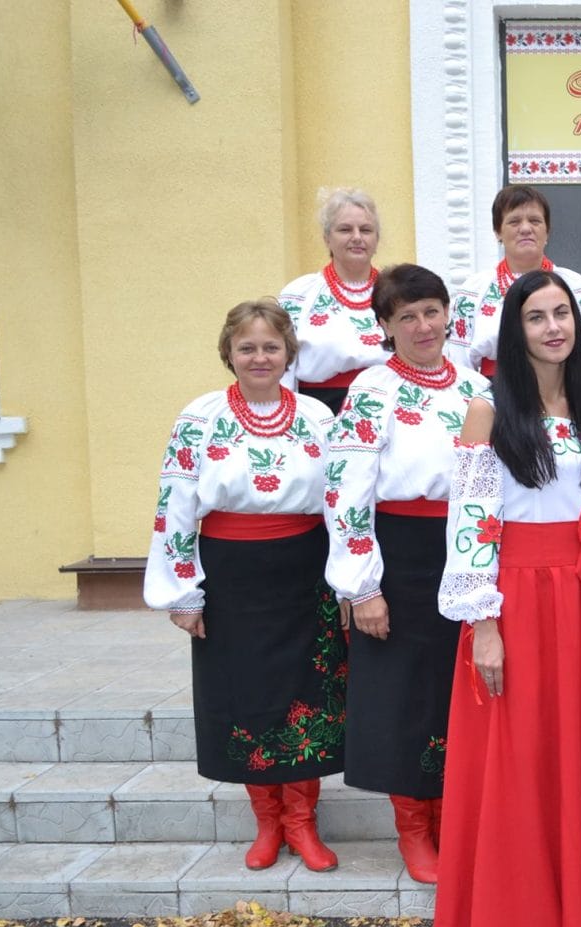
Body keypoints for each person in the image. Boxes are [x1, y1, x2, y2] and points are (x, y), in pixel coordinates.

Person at [429, 269, 581, 927]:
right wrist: (483, 625)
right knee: (514, 763)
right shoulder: (488, 413)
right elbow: (471, 524)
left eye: (563, 314)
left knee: (577, 757)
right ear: (514, 334)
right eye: (537, 317)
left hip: (580, 602)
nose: (553, 327)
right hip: (513, 598)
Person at [144, 299, 343, 873]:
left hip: (305, 571)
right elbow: (175, 504)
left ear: (289, 353)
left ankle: (303, 822)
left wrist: (350, 581)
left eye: (271, 346)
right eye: (247, 347)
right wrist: (181, 590)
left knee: (305, 696)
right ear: (228, 353)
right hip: (230, 574)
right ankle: (267, 824)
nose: (260, 357)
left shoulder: (318, 417)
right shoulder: (200, 417)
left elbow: (341, 502)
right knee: (246, 695)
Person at [324, 263, 488, 884]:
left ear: (450, 314)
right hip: (401, 553)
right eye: (407, 317)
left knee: (458, 691)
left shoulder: (479, 387)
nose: (424, 326)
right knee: (405, 695)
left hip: (468, 548)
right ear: (386, 328)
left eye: (432, 311)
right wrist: (362, 584)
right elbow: (346, 489)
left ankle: (455, 819)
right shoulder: (373, 389)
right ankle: (414, 830)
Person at [448, 185, 581, 383]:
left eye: (535, 221)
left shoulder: (576, 287)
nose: (525, 229)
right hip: (494, 396)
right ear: (498, 232)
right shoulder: (474, 290)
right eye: (514, 221)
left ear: (547, 231)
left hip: (562, 395)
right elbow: (459, 363)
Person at [279, 188, 393, 413]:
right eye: (345, 229)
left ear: (377, 239)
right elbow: (282, 367)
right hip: (320, 411)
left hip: (388, 408)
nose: (357, 237)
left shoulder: (397, 293)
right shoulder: (300, 295)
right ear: (327, 238)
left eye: (366, 230)